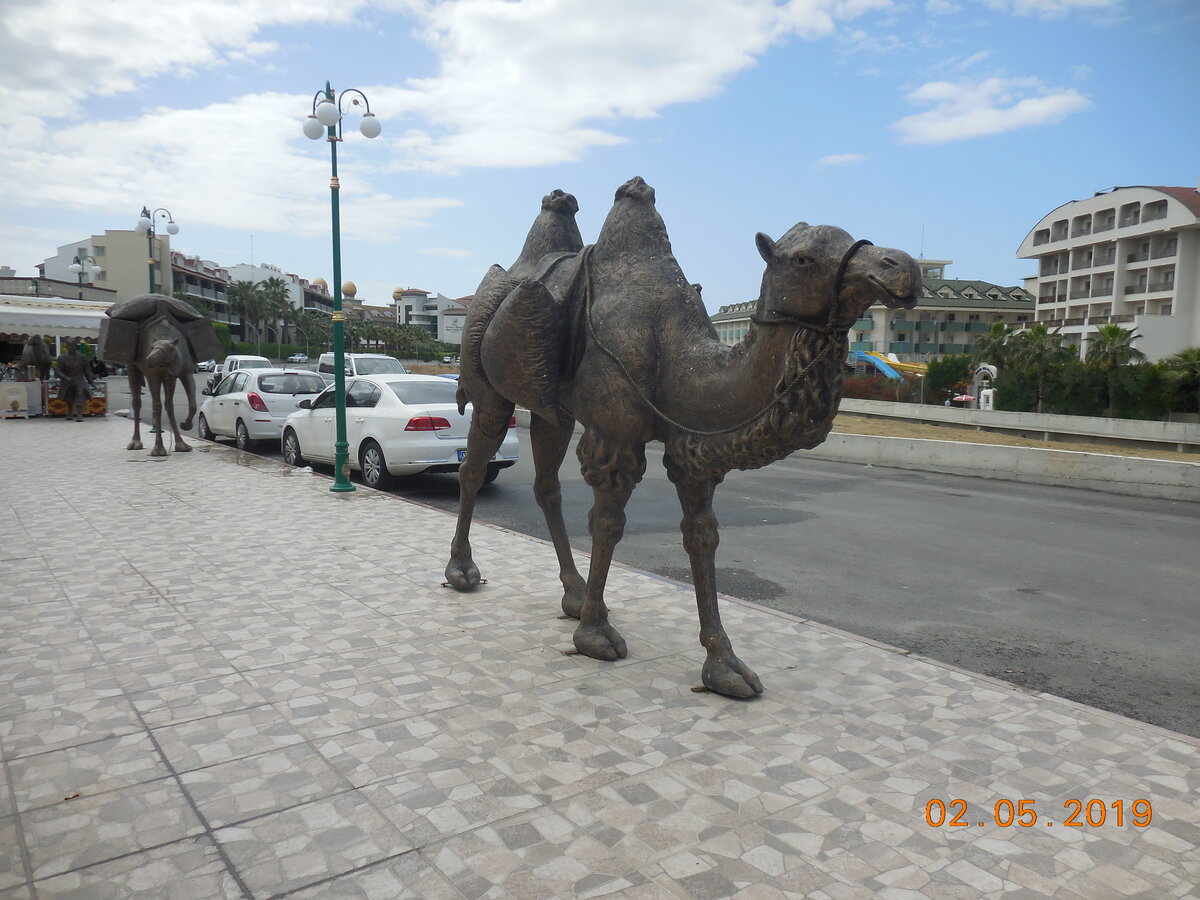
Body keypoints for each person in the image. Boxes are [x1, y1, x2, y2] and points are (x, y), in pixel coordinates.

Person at [55, 341, 94, 422]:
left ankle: (80, 414)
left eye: (73, 345)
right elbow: (58, 370)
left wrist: (91, 381)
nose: (71, 347)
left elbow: (87, 370)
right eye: (70, 346)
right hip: (67, 379)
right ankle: (70, 412)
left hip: (79, 378)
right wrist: (64, 377)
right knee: (68, 396)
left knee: (80, 394)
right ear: (67, 346)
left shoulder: (82, 357)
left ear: (76, 347)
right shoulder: (62, 357)